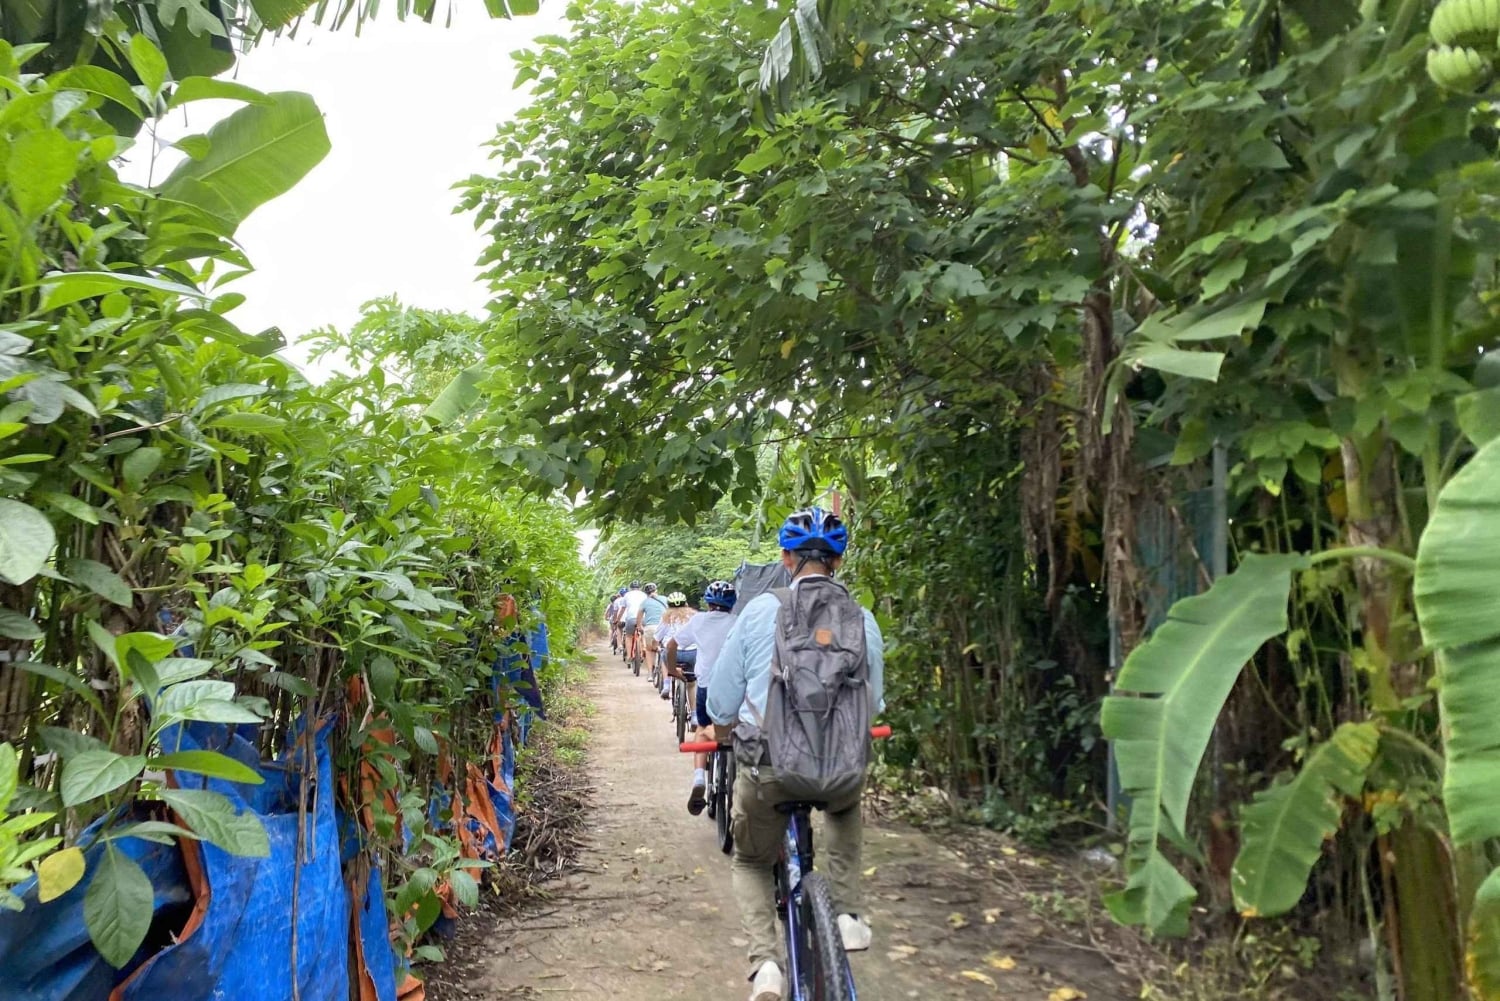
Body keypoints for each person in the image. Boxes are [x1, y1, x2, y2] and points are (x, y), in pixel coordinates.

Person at [708, 507, 884, 1001]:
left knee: (749, 861)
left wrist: (723, 731)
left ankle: (766, 966)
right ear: (839, 561)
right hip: (840, 767)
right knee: (846, 803)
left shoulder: (760, 612)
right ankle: (847, 913)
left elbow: (722, 699)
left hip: (769, 768)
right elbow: (874, 704)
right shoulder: (861, 619)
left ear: (786, 559)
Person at [666, 579, 735, 813]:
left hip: (706, 685)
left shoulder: (699, 621)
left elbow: (672, 645)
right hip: (733, 688)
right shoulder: (738, 622)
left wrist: (673, 669)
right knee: (732, 732)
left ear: (708, 604)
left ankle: (699, 778)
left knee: (702, 730)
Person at [655, 591, 696, 700]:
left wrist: (655, 646)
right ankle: (694, 715)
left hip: (673, 653)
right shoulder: (694, 616)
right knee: (691, 683)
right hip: (692, 653)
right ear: (686, 603)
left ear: (668, 605)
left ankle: (666, 684)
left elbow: (657, 637)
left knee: (664, 655)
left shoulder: (666, 617)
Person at [635, 582, 668, 679]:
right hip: (665, 626)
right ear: (656, 590)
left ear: (646, 593)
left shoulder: (645, 602)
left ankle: (650, 674)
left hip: (650, 627)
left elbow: (639, 616)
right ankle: (666, 676)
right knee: (665, 649)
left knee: (649, 650)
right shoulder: (665, 599)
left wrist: (639, 627)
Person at [620, 580, 648, 666]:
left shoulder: (627, 595)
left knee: (629, 636)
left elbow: (623, 609)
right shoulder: (644, 595)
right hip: (642, 618)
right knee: (643, 633)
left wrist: (618, 618)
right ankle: (644, 647)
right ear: (640, 587)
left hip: (631, 618)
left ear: (631, 588)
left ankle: (629, 656)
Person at [606, 587, 627, 653]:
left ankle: (620, 645)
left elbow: (615, 612)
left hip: (620, 619)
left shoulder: (616, 601)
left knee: (618, 629)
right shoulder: (629, 599)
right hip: (629, 619)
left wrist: (615, 620)